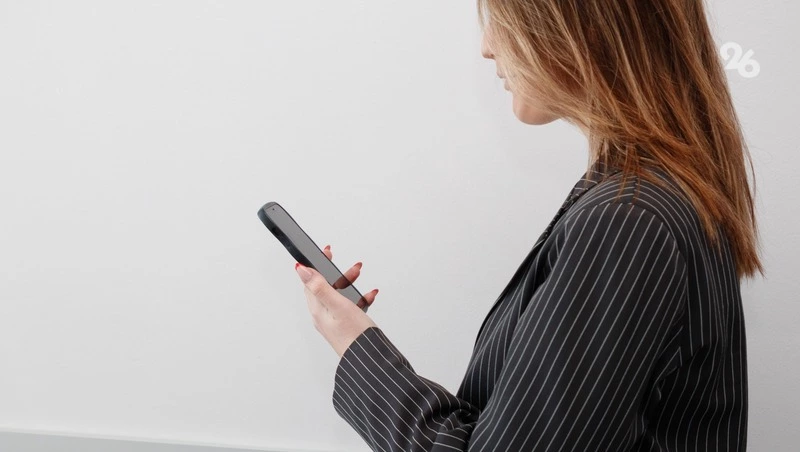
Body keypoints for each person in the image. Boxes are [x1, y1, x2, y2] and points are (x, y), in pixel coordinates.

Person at [294, 0, 764, 450]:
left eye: (504, 16)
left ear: (582, 27)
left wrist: (353, 343)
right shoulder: (649, 200)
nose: (487, 46)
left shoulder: (627, 222)